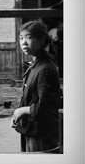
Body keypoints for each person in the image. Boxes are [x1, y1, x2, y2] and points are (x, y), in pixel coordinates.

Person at [11, 21, 62, 153]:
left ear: (41, 39)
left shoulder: (45, 69)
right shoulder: (36, 65)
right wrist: (19, 116)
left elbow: (47, 106)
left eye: (28, 37)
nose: (23, 42)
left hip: (42, 134)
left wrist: (21, 111)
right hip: (32, 129)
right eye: (21, 38)